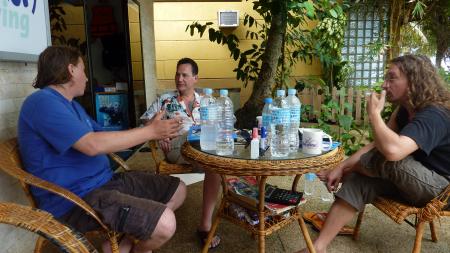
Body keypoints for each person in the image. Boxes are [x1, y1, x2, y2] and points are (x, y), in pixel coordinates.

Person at [18, 46, 187, 253]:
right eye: (83, 70)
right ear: (71, 70)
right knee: (166, 224)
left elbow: (106, 138)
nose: (87, 78)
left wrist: (148, 128)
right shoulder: (42, 102)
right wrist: (150, 132)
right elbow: (92, 145)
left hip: (106, 183)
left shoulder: (71, 105)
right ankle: (139, 247)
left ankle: (127, 242)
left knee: (178, 189)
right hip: (77, 200)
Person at [296, 55, 450, 253]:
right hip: (411, 181)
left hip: (441, 191)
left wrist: (374, 115)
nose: (385, 85)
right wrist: (342, 166)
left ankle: (349, 171)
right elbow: (374, 145)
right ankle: (318, 247)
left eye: (392, 78)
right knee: (360, 179)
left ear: (413, 81)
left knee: (390, 160)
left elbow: (393, 152)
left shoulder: (434, 114)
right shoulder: (404, 110)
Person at [140, 58, 222, 249]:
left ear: (195, 78)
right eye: (177, 74)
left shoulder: (207, 101)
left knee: (216, 164)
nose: (179, 78)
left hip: (205, 152)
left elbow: (224, 123)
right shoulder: (165, 100)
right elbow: (146, 123)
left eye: (184, 75)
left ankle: (205, 226)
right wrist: (158, 132)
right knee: (200, 139)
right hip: (178, 148)